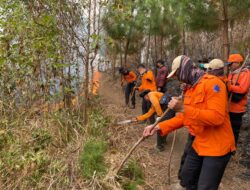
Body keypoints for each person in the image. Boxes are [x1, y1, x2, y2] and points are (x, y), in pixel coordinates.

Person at [143, 55, 235, 190]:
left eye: (178, 74)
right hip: (199, 142)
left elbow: (217, 118)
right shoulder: (191, 88)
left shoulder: (213, 84)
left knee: (205, 186)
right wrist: (158, 127)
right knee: (187, 177)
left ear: (185, 69)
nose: (178, 78)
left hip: (217, 146)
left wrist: (182, 108)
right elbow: (184, 117)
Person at [225, 54, 250, 144]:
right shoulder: (233, 73)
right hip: (229, 106)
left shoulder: (245, 74)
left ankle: (232, 149)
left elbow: (242, 89)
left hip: (237, 109)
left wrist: (229, 86)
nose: (229, 66)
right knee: (227, 128)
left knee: (234, 129)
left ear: (237, 63)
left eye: (231, 64)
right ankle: (227, 146)